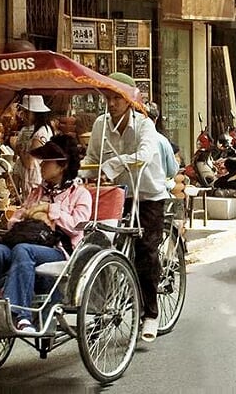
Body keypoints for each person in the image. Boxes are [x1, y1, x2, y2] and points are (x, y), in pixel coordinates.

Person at [80, 72, 168, 343]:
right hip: (117, 196)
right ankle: (102, 312)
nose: (111, 103)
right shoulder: (100, 125)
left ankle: (150, 314)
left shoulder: (144, 126)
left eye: (117, 98)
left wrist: (113, 165)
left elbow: (144, 155)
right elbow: (91, 158)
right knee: (101, 247)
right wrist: (80, 175)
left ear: (129, 99)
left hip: (148, 196)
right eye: (107, 97)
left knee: (146, 251)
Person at [0, 135, 91, 333]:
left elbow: (76, 226)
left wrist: (50, 210)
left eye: (47, 161)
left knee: (23, 251)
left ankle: (20, 314)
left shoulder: (80, 194)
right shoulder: (36, 192)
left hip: (58, 250)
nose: (41, 165)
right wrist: (33, 215)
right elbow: (15, 220)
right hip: (26, 241)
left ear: (62, 165)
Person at [13, 95, 56, 197]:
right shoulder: (34, 129)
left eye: (27, 113)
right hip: (30, 178)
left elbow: (30, 162)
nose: (24, 116)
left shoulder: (41, 132)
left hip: (34, 179)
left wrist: (20, 151)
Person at [145, 101, 179, 186]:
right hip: (157, 191)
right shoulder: (161, 140)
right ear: (156, 119)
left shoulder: (128, 138)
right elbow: (172, 171)